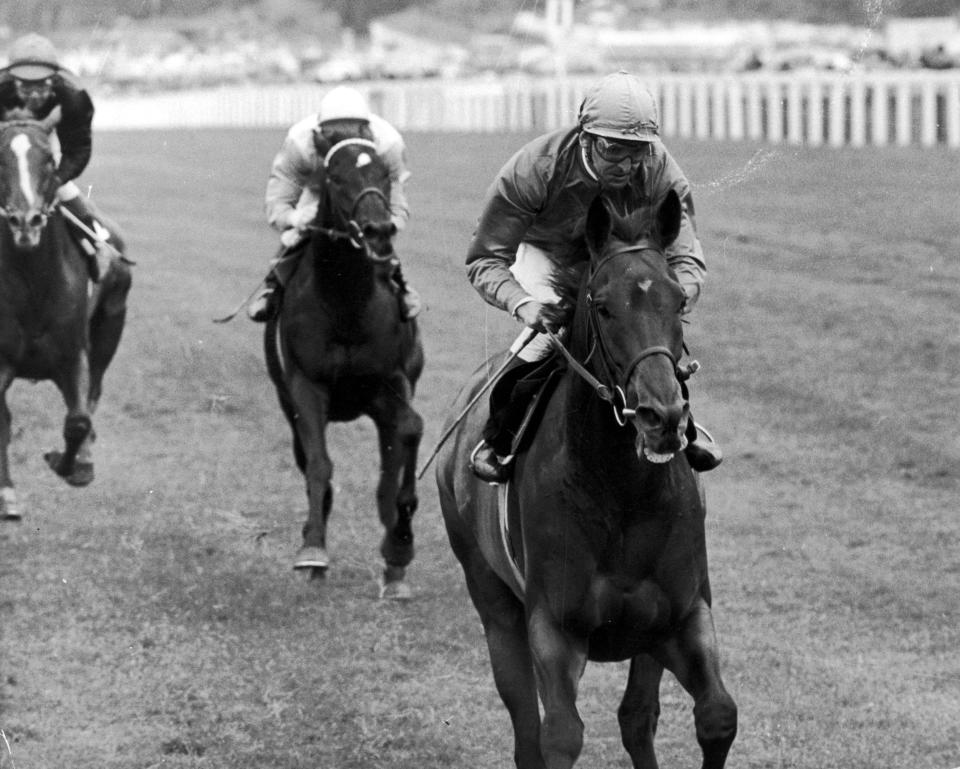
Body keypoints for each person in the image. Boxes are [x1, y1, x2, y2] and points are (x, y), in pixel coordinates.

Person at [465, 70, 722, 483]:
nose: (628, 164)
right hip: (548, 255)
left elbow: (684, 250)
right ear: (586, 138)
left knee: (647, 332)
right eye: (615, 151)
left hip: (619, 256)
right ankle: (498, 439)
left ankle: (685, 430)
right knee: (546, 340)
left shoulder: (658, 169)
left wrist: (681, 290)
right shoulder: (533, 169)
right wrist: (522, 302)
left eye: (638, 151)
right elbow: (485, 259)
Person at [248, 85, 420, 321]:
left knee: (376, 233)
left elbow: (397, 195)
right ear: (321, 130)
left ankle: (401, 286)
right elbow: (278, 201)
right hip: (317, 193)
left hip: (361, 192)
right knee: (295, 237)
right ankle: (273, 287)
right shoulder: (300, 143)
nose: (345, 137)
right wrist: (295, 218)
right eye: (336, 132)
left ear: (367, 129)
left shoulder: (388, 144)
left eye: (353, 131)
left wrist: (392, 223)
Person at [0, 33, 109, 279]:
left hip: (43, 149)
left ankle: (96, 248)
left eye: (41, 86)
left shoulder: (74, 98)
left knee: (67, 194)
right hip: (5, 151)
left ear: (54, 80)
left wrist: (56, 180)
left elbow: (78, 149)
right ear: (11, 80)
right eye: (26, 87)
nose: (34, 95)